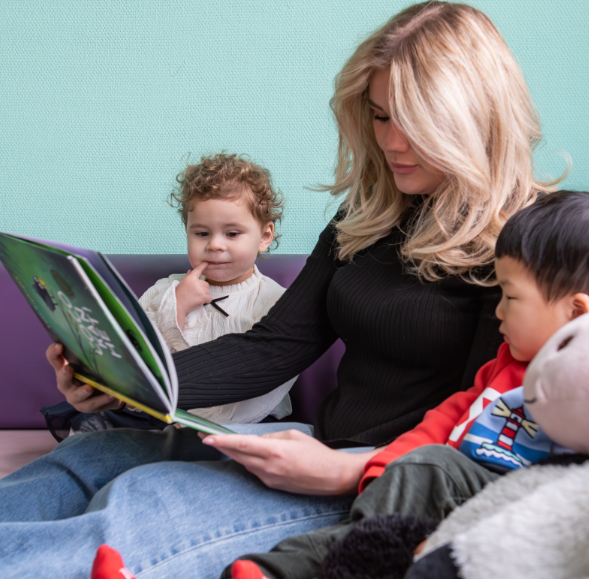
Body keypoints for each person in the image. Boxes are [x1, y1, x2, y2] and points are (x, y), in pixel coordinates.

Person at [0, 4, 560, 578]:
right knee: (87, 457)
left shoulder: (529, 245)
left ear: (474, 118)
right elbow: (274, 345)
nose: (392, 141)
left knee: (136, 507)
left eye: (414, 121)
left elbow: (484, 431)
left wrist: (349, 470)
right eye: (379, 116)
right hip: (316, 444)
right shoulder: (370, 213)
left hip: (380, 483)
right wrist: (129, 381)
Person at [220, 190, 589, 579]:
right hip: (452, 486)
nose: (498, 313)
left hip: (525, 498)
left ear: (576, 311)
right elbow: (448, 419)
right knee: (409, 479)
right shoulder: (505, 362)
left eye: (511, 298)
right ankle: (276, 569)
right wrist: (387, 464)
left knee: (429, 471)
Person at [63, 152, 297, 434]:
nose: (215, 245)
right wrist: (175, 308)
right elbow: (134, 355)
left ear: (264, 236)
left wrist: (206, 426)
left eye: (232, 234)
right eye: (201, 233)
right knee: (85, 420)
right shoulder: (164, 291)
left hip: (245, 421)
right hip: (163, 415)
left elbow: (270, 377)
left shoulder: (278, 303)